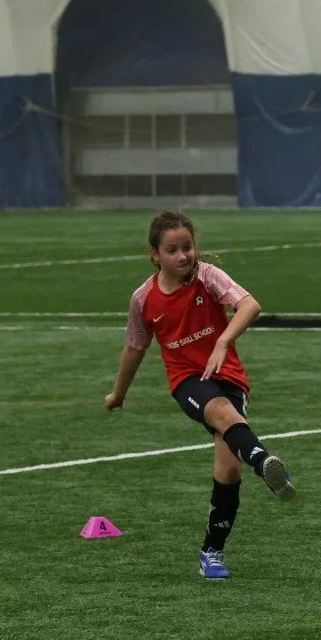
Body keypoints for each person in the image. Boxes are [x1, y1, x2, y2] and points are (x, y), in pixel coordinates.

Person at [103, 210, 294, 579]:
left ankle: (211, 551)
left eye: (187, 247)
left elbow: (250, 305)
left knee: (227, 469)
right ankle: (264, 461)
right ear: (155, 255)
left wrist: (224, 340)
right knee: (222, 411)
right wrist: (118, 393)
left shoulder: (207, 276)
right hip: (188, 381)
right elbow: (134, 348)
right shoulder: (144, 299)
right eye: (172, 250)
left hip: (229, 375)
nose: (183, 256)